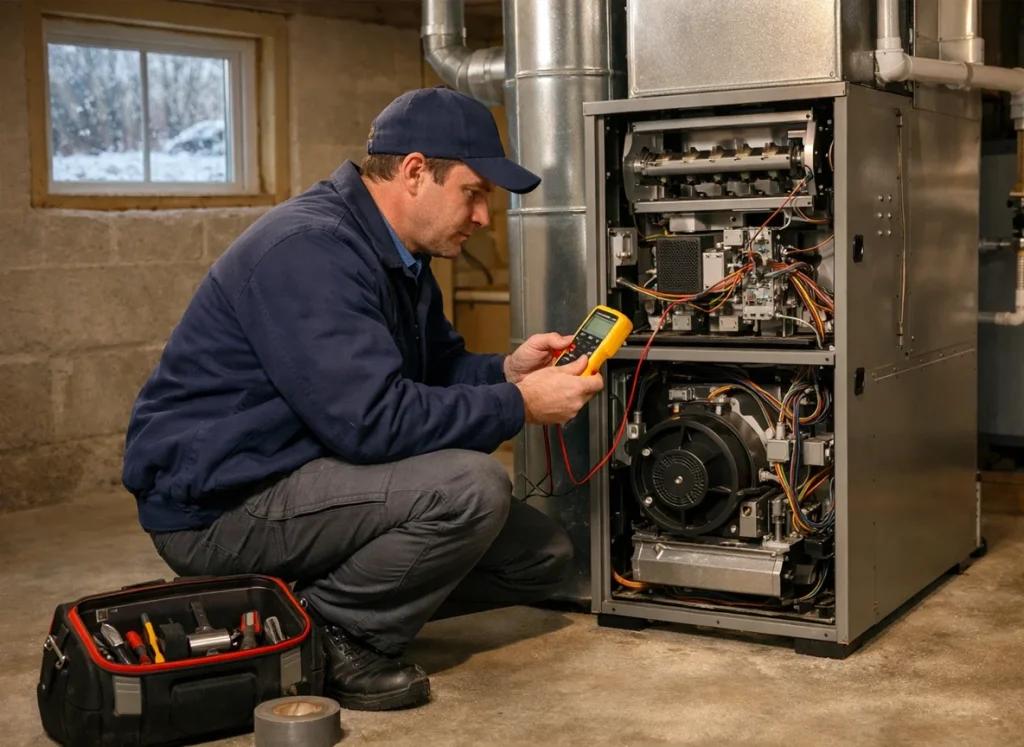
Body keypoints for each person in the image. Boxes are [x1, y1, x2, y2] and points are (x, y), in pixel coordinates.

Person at [121, 86, 605, 712]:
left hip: (304, 468)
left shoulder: (398, 256)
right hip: (223, 502)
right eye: (474, 192)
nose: (485, 217)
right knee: (470, 487)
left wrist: (508, 371)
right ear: (413, 172)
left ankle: (300, 602)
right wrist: (519, 405)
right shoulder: (309, 250)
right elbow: (373, 424)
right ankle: (335, 632)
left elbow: (437, 369)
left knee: (542, 558)